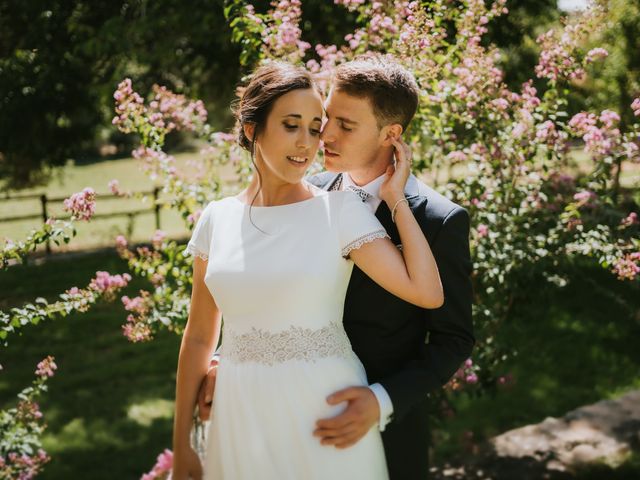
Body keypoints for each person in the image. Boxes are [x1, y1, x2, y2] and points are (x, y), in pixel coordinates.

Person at [198, 55, 475, 479]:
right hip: (275, 412)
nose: (323, 135)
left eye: (346, 126)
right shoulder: (304, 195)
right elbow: (259, 282)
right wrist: (230, 361)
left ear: (391, 134)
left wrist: (381, 400)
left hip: (381, 422)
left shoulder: (439, 221)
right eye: (327, 118)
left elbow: (453, 341)